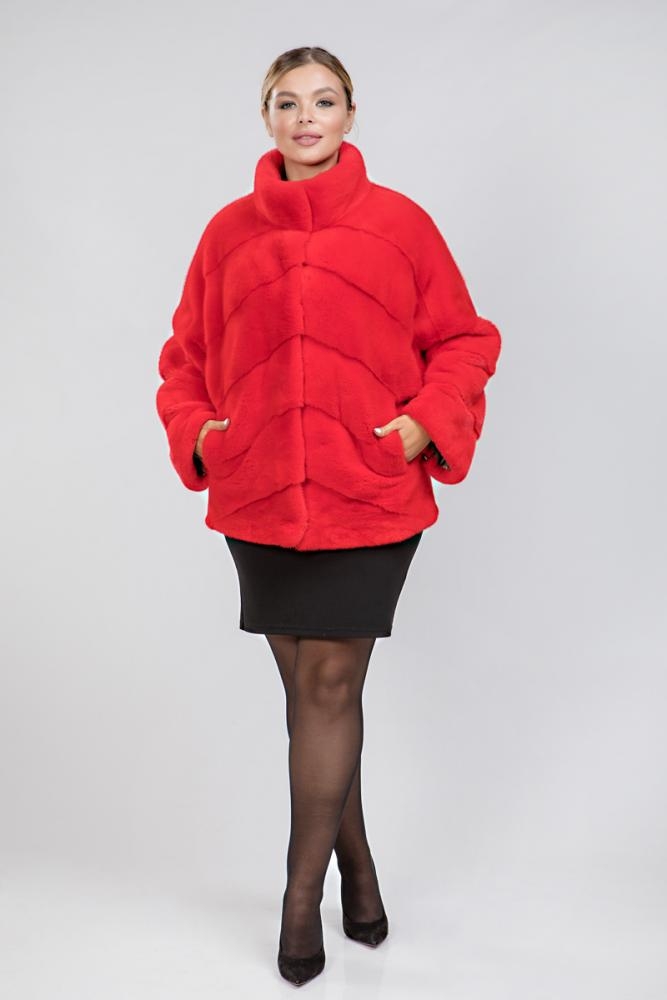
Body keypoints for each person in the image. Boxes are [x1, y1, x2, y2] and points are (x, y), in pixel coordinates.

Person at [155, 46, 502, 987]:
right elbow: (184, 358)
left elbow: (465, 339)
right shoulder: (228, 234)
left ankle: (298, 898)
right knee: (311, 696)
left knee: (327, 685)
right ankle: (361, 872)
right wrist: (203, 434)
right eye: (286, 102)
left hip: (367, 491)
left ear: (351, 114)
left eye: (322, 100)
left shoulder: (400, 225)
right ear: (265, 117)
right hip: (260, 495)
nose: (304, 117)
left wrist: (423, 423)